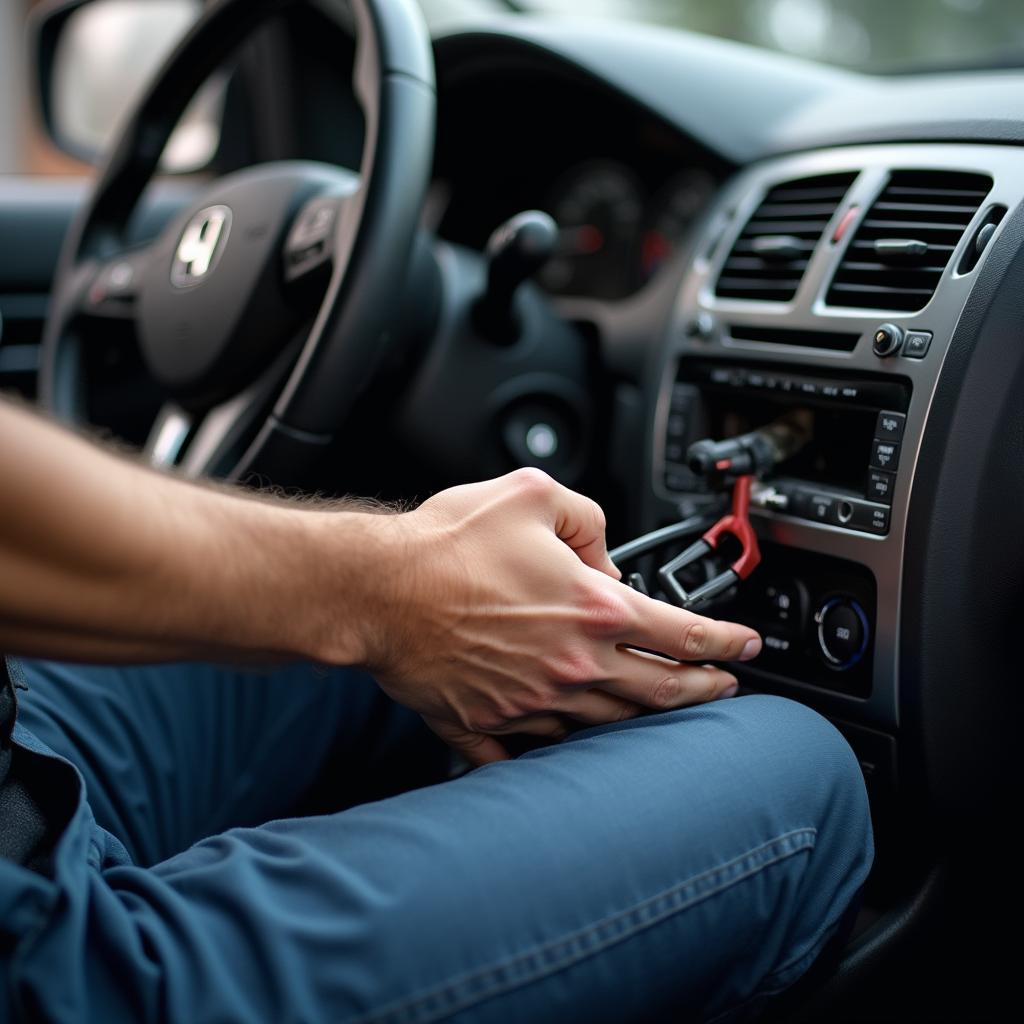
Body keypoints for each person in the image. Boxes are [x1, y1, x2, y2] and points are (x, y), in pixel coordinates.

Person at [0, 397, 872, 1023]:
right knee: (797, 779)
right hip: (45, 968)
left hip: (20, 751)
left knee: (359, 656)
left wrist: (402, 596)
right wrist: (403, 594)